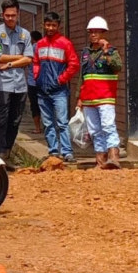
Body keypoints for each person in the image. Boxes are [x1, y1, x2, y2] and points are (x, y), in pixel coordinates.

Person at [0, 0, 33, 165]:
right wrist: (21, 57)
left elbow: (29, 59)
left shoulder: (25, 34)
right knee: (1, 120)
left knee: (15, 120)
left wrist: (8, 64)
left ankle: (7, 152)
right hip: (2, 85)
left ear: (18, 14)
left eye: (13, 15)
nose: (10, 18)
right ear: (2, 14)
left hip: (20, 86)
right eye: (7, 15)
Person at [76, 16, 123, 169]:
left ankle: (114, 158)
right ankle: (100, 161)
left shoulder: (112, 51)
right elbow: (81, 76)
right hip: (89, 98)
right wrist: (80, 97)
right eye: (91, 32)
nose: (94, 34)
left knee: (108, 126)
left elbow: (117, 67)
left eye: (97, 32)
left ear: (104, 33)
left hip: (105, 96)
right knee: (95, 130)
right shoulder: (85, 52)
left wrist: (106, 51)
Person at [33, 11, 80, 163]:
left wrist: (60, 79)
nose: (51, 28)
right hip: (42, 90)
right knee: (47, 123)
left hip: (59, 90)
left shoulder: (65, 43)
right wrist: (37, 77)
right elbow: (35, 63)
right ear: (44, 25)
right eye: (48, 25)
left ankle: (66, 152)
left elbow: (74, 64)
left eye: (53, 25)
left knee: (62, 122)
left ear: (58, 25)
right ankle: (53, 151)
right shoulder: (39, 44)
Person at [27, 30, 43, 134]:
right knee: (44, 104)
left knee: (34, 105)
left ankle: (37, 128)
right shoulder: (45, 47)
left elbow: (27, 61)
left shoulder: (32, 47)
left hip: (33, 81)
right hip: (44, 81)